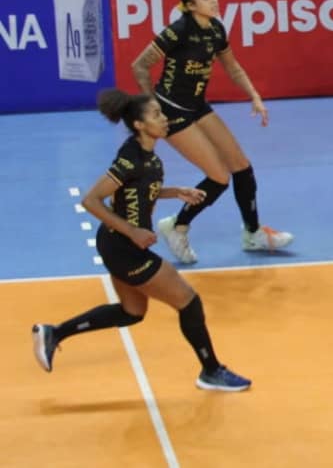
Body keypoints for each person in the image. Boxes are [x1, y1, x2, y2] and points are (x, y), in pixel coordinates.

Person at [31, 89, 251, 392]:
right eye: (156, 115)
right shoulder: (130, 157)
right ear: (139, 124)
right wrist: (132, 231)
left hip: (117, 245)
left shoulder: (150, 157)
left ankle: (53, 333)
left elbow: (138, 190)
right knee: (189, 301)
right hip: (125, 248)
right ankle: (211, 371)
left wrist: (175, 192)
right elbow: (92, 200)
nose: (163, 119)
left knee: (131, 312)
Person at [131, 0, 294, 265]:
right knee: (219, 177)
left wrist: (254, 95)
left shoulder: (216, 29)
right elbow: (140, 65)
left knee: (241, 167)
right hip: (172, 109)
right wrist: (151, 105)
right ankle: (177, 227)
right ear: (191, 5)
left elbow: (232, 66)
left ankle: (253, 233)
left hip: (197, 105)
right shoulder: (178, 31)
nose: (214, 0)